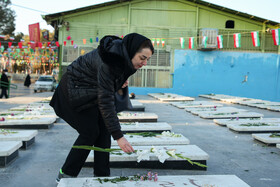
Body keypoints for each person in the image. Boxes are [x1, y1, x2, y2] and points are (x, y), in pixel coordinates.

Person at [49, 33, 154, 183]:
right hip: (71, 93)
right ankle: (66, 175)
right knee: (90, 132)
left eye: (147, 60)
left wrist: (119, 82)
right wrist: (119, 136)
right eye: (142, 58)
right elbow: (106, 100)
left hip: (90, 92)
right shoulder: (109, 61)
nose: (144, 63)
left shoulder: (122, 57)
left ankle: (102, 177)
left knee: (104, 132)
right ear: (131, 51)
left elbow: (111, 80)